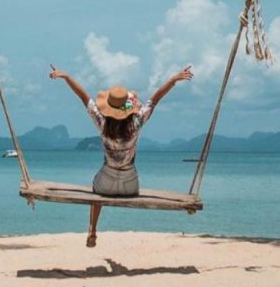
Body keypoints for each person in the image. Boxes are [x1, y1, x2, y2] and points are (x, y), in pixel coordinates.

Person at [49, 64, 194, 247]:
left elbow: (83, 97)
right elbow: (154, 100)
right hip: (130, 184)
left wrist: (66, 76)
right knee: (103, 182)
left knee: (96, 187)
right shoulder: (136, 123)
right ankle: (93, 229)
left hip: (105, 184)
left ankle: (93, 229)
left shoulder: (102, 124)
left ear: (108, 108)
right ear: (127, 108)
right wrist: (173, 80)